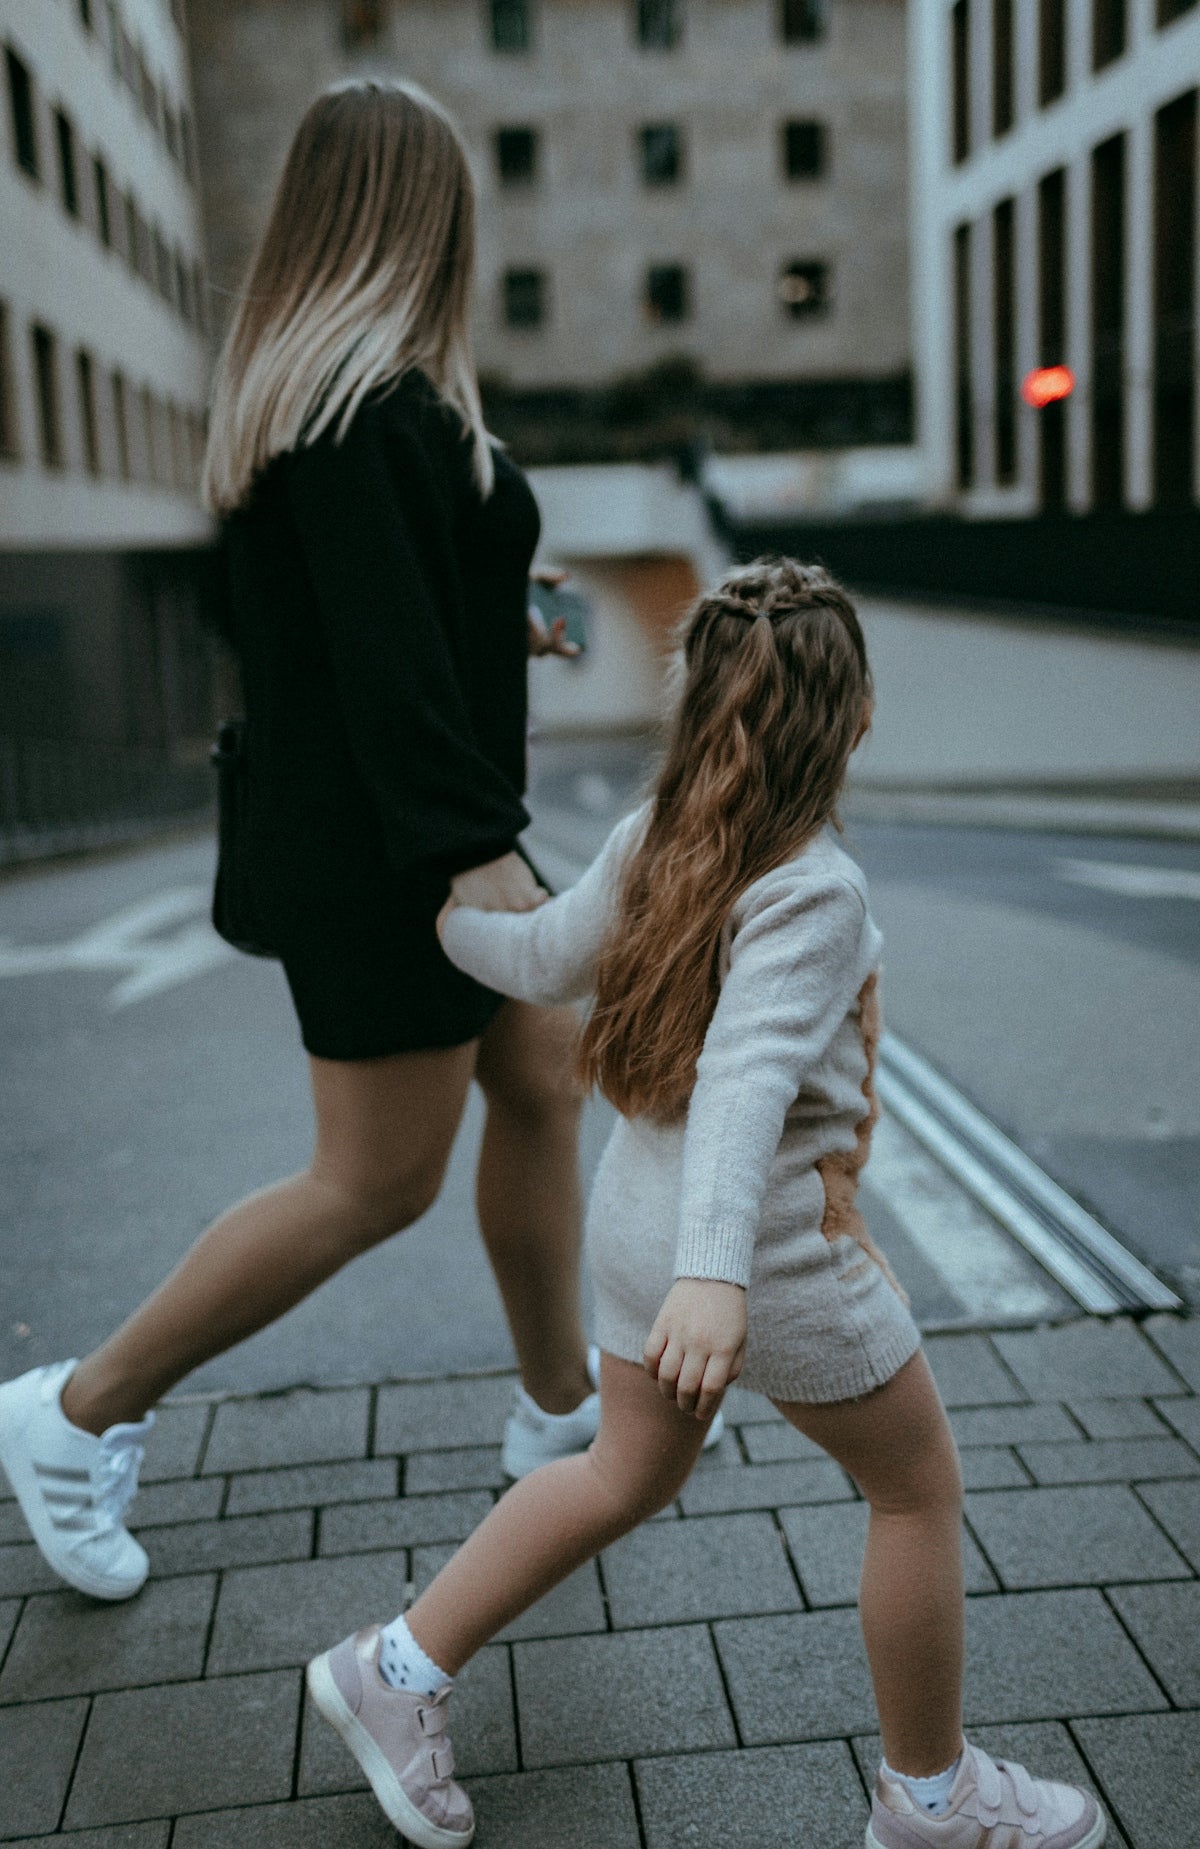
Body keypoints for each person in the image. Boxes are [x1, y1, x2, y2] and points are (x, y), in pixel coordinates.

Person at [305, 561, 1107, 1849]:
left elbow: (540, 954)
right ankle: (934, 1797)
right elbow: (744, 1084)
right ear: (852, 718)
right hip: (764, 1257)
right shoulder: (814, 888)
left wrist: (438, 919)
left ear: (695, 709)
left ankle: (393, 1670)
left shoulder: (654, 840)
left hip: (639, 1226)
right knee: (914, 1491)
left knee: (622, 1471)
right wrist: (719, 1274)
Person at [0, 79, 611, 1602]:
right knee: (373, 1179)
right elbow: (383, 671)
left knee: (540, 1070)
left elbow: (377, 620)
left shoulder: (362, 408)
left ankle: (560, 1410)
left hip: (407, 833)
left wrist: (508, 618)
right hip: (391, 862)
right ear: (420, 214)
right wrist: (476, 855)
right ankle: (73, 1413)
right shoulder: (349, 417)